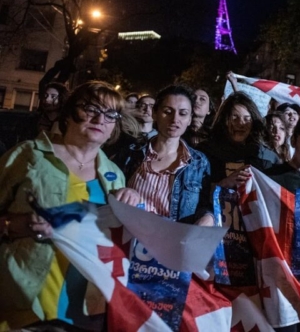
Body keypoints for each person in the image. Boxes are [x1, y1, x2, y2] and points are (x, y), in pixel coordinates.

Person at [0, 81, 139, 330]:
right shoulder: (29, 156)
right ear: (69, 113)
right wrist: (14, 224)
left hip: (88, 311)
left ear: (114, 127)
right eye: (90, 108)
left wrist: (132, 205)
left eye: (110, 114)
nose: (100, 118)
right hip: (26, 304)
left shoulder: (114, 175)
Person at [119, 85, 213, 224]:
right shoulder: (132, 154)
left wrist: (207, 218)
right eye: (168, 111)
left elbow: (205, 205)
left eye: (183, 113)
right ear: (155, 113)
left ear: (189, 119)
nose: (175, 119)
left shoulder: (199, 162)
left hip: (174, 241)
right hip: (130, 239)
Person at [198, 92, 278, 190]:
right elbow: (194, 195)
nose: (241, 124)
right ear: (225, 121)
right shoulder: (204, 154)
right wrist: (223, 184)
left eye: (246, 119)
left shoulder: (267, 159)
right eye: (235, 118)